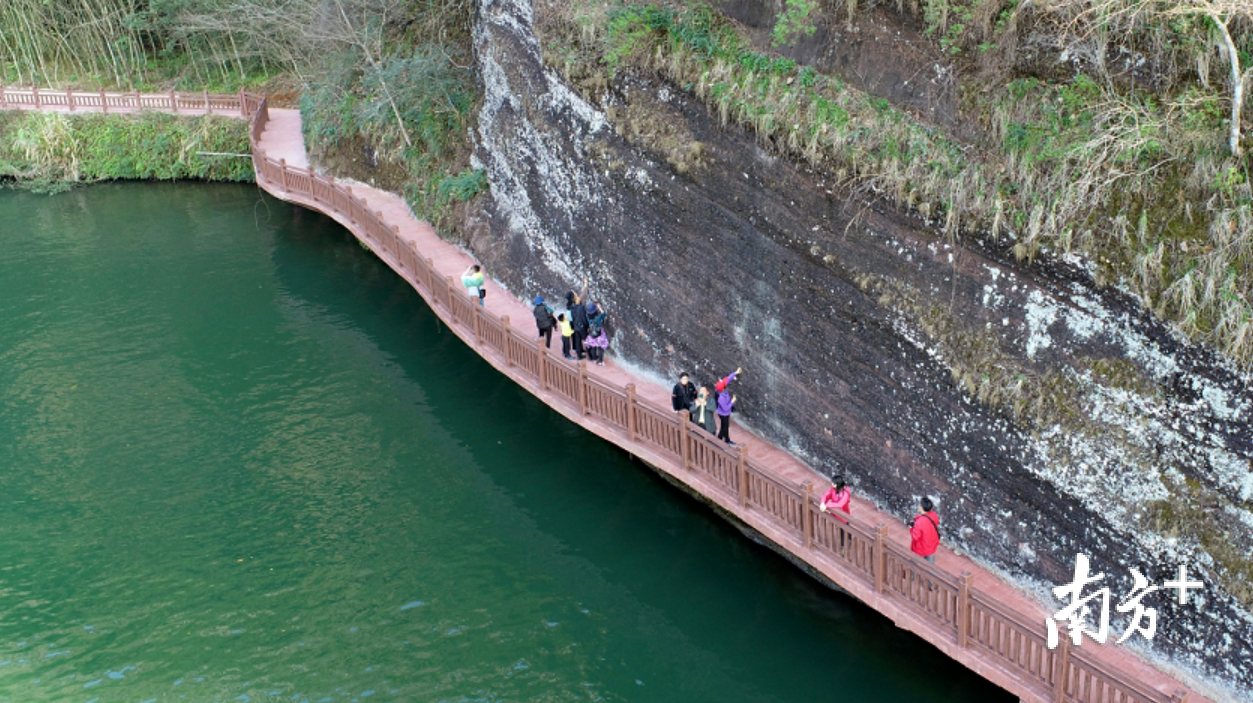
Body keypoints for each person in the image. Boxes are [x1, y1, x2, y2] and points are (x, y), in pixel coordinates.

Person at [715, 367, 742, 445]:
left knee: (724, 426)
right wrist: (732, 401)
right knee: (724, 427)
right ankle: (724, 441)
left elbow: (728, 379)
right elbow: (726, 408)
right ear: (723, 388)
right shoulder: (720, 398)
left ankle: (722, 440)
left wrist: (736, 372)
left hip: (725, 413)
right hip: (723, 414)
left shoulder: (720, 389)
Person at [910, 497, 940, 563]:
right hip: (931, 543)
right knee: (930, 565)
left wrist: (912, 528)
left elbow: (915, 537)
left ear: (921, 507)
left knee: (914, 563)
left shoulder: (919, 522)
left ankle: (912, 572)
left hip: (921, 546)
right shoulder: (934, 514)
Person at [567, 278, 590, 360]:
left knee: (577, 340)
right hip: (581, 325)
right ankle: (590, 354)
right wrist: (586, 285)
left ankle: (579, 355)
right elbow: (583, 294)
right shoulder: (579, 306)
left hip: (574, 325)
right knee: (586, 339)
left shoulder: (570, 306)